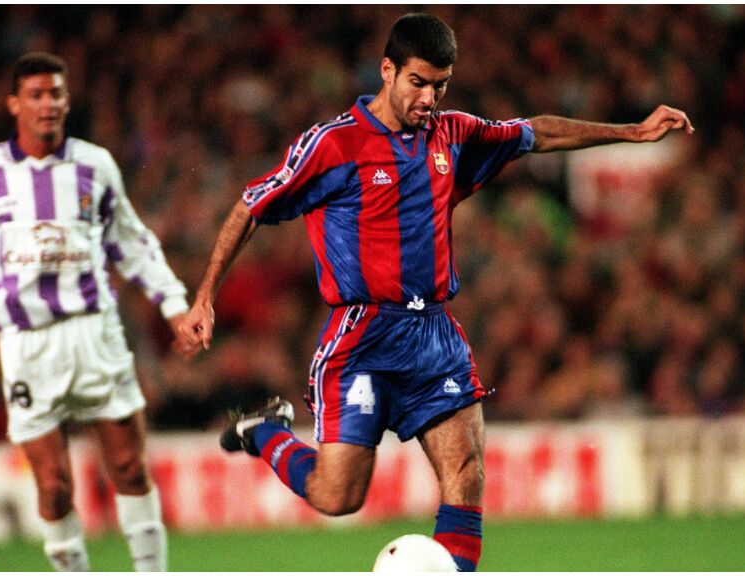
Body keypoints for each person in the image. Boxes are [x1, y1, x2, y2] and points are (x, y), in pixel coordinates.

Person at [177, 13, 692, 572]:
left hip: (433, 333)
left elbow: (534, 133)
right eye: (418, 83)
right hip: (363, 337)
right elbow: (251, 206)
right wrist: (206, 295)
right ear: (387, 70)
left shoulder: (453, 133)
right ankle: (266, 434)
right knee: (338, 496)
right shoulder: (334, 144)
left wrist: (631, 132)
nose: (429, 98)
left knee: (466, 475)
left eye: (440, 85)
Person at [0, 52, 187, 572]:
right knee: (52, 486)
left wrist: (175, 304)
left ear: (67, 100)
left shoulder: (95, 165)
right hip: (27, 344)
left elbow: (131, 243)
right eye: (36, 95)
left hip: (95, 333)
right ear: (13, 104)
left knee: (128, 467)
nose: (47, 104)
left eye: (55, 94)